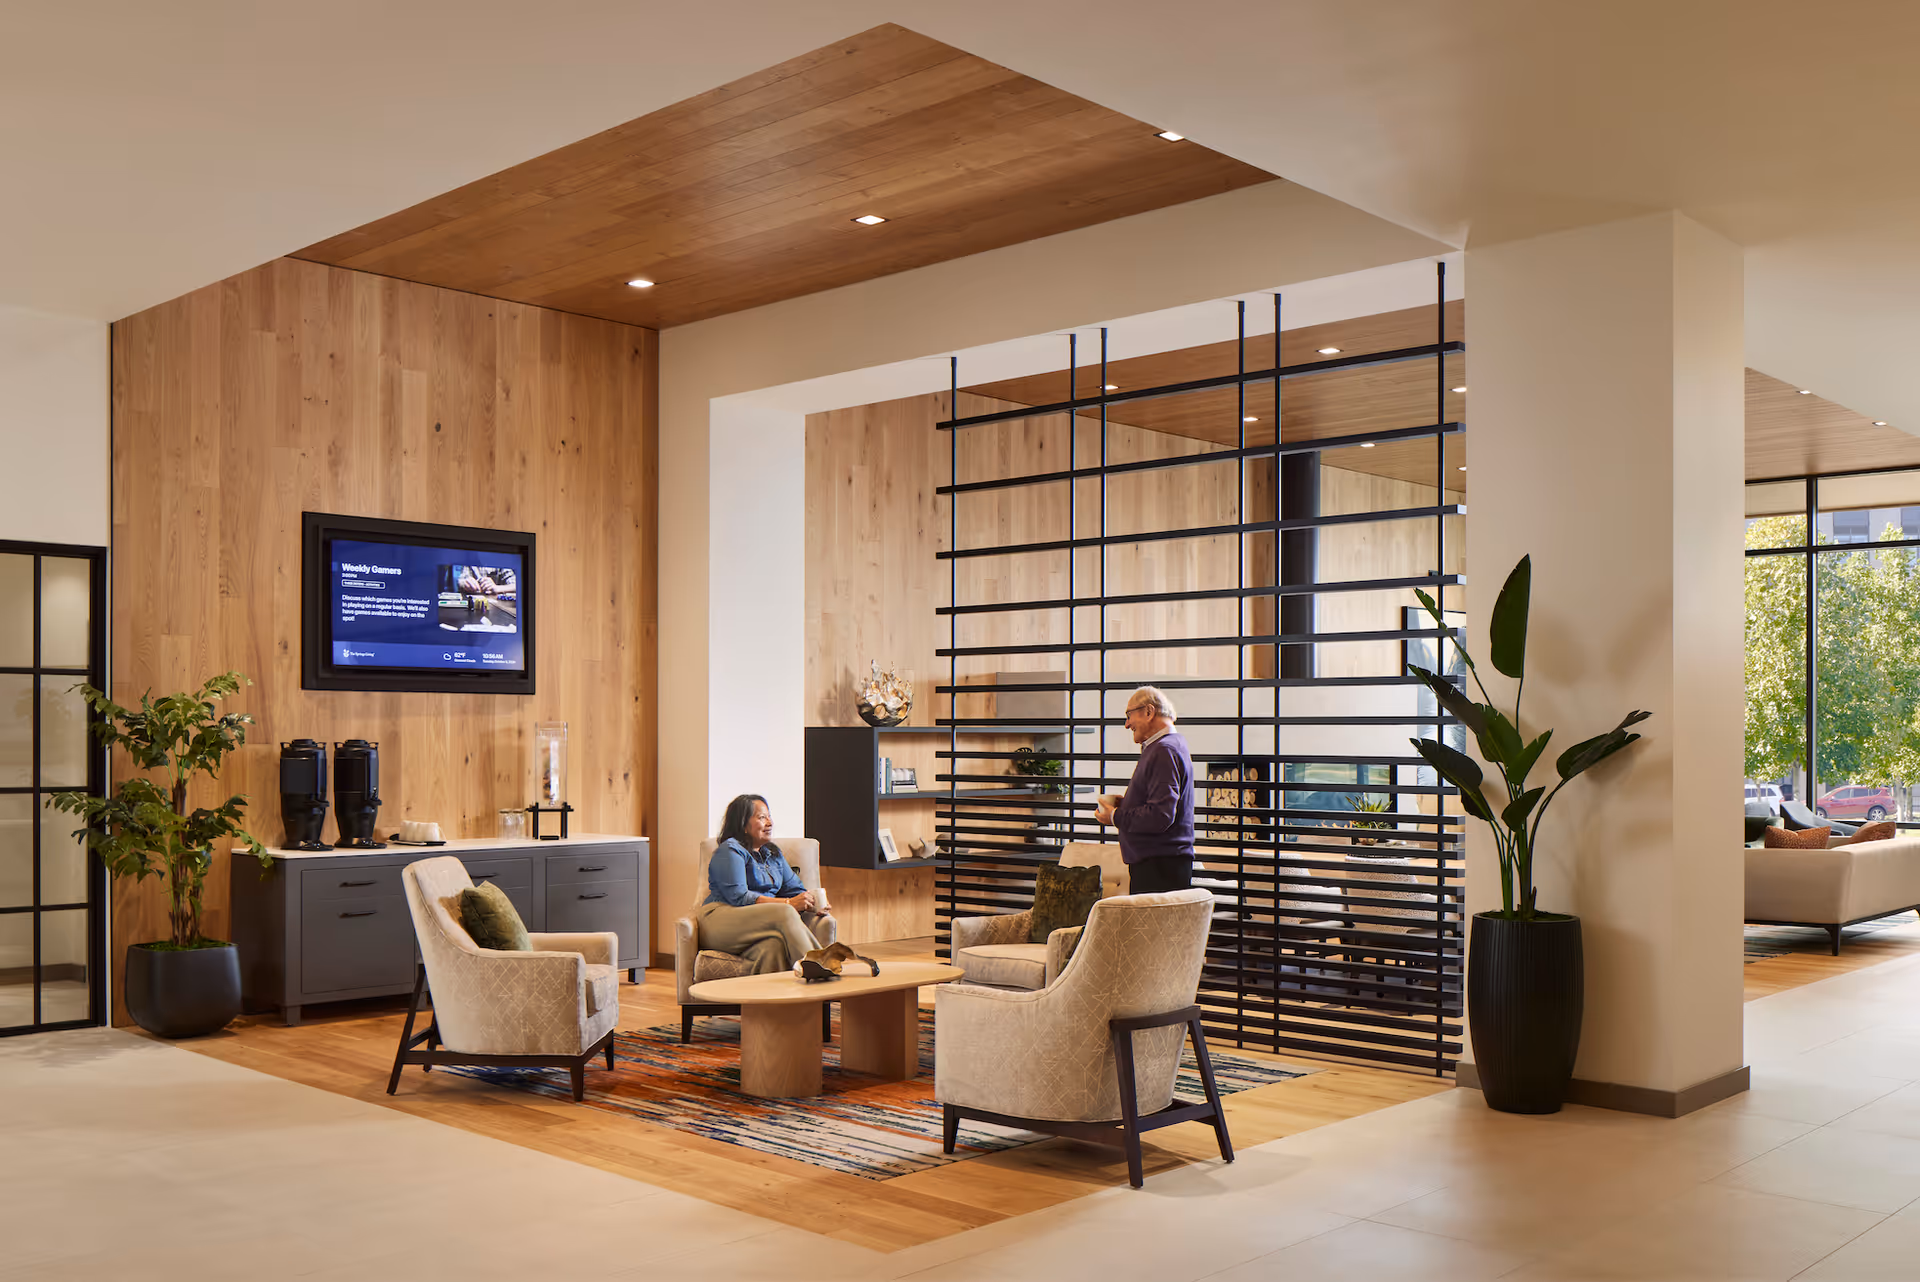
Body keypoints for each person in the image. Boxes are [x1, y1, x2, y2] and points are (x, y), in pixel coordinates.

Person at [698, 794, 832, 973]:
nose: (770, 823)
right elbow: (739, 897)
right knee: (785, 911)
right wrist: (788, 903)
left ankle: (774, 999)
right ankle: (821, 967)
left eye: (769, 817)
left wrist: (814, 902)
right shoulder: (729, 851)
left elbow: (795, 889)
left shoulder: (773, 854)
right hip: (720, 921)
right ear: (743, 824)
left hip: (756, 923)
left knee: (773, 947)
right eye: (762, 817)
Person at [1094, 686, 1196, 893]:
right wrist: (1128, 804)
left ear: (1149, 712)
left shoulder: (1164, 750)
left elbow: (1160, 815)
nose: (1126, 724)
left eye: (1129, 715)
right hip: (1161, 866)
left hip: (1158, 869)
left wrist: (1114, 816)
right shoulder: (1169, 745)